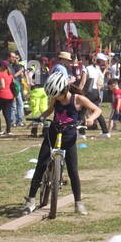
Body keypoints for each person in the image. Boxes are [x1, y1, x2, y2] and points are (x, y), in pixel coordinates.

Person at [22, 72, 100, 215]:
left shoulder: (78, 99)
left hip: (69, 136)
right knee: (41, 164)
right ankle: (31, 200)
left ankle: (78, 202)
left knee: (72, 170)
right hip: (53, 133)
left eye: (57, 95)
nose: (55, 98)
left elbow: (97, 109)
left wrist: (91, 119)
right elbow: (50, 110)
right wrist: (39, 118)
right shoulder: (55, 98)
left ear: (64, 90)